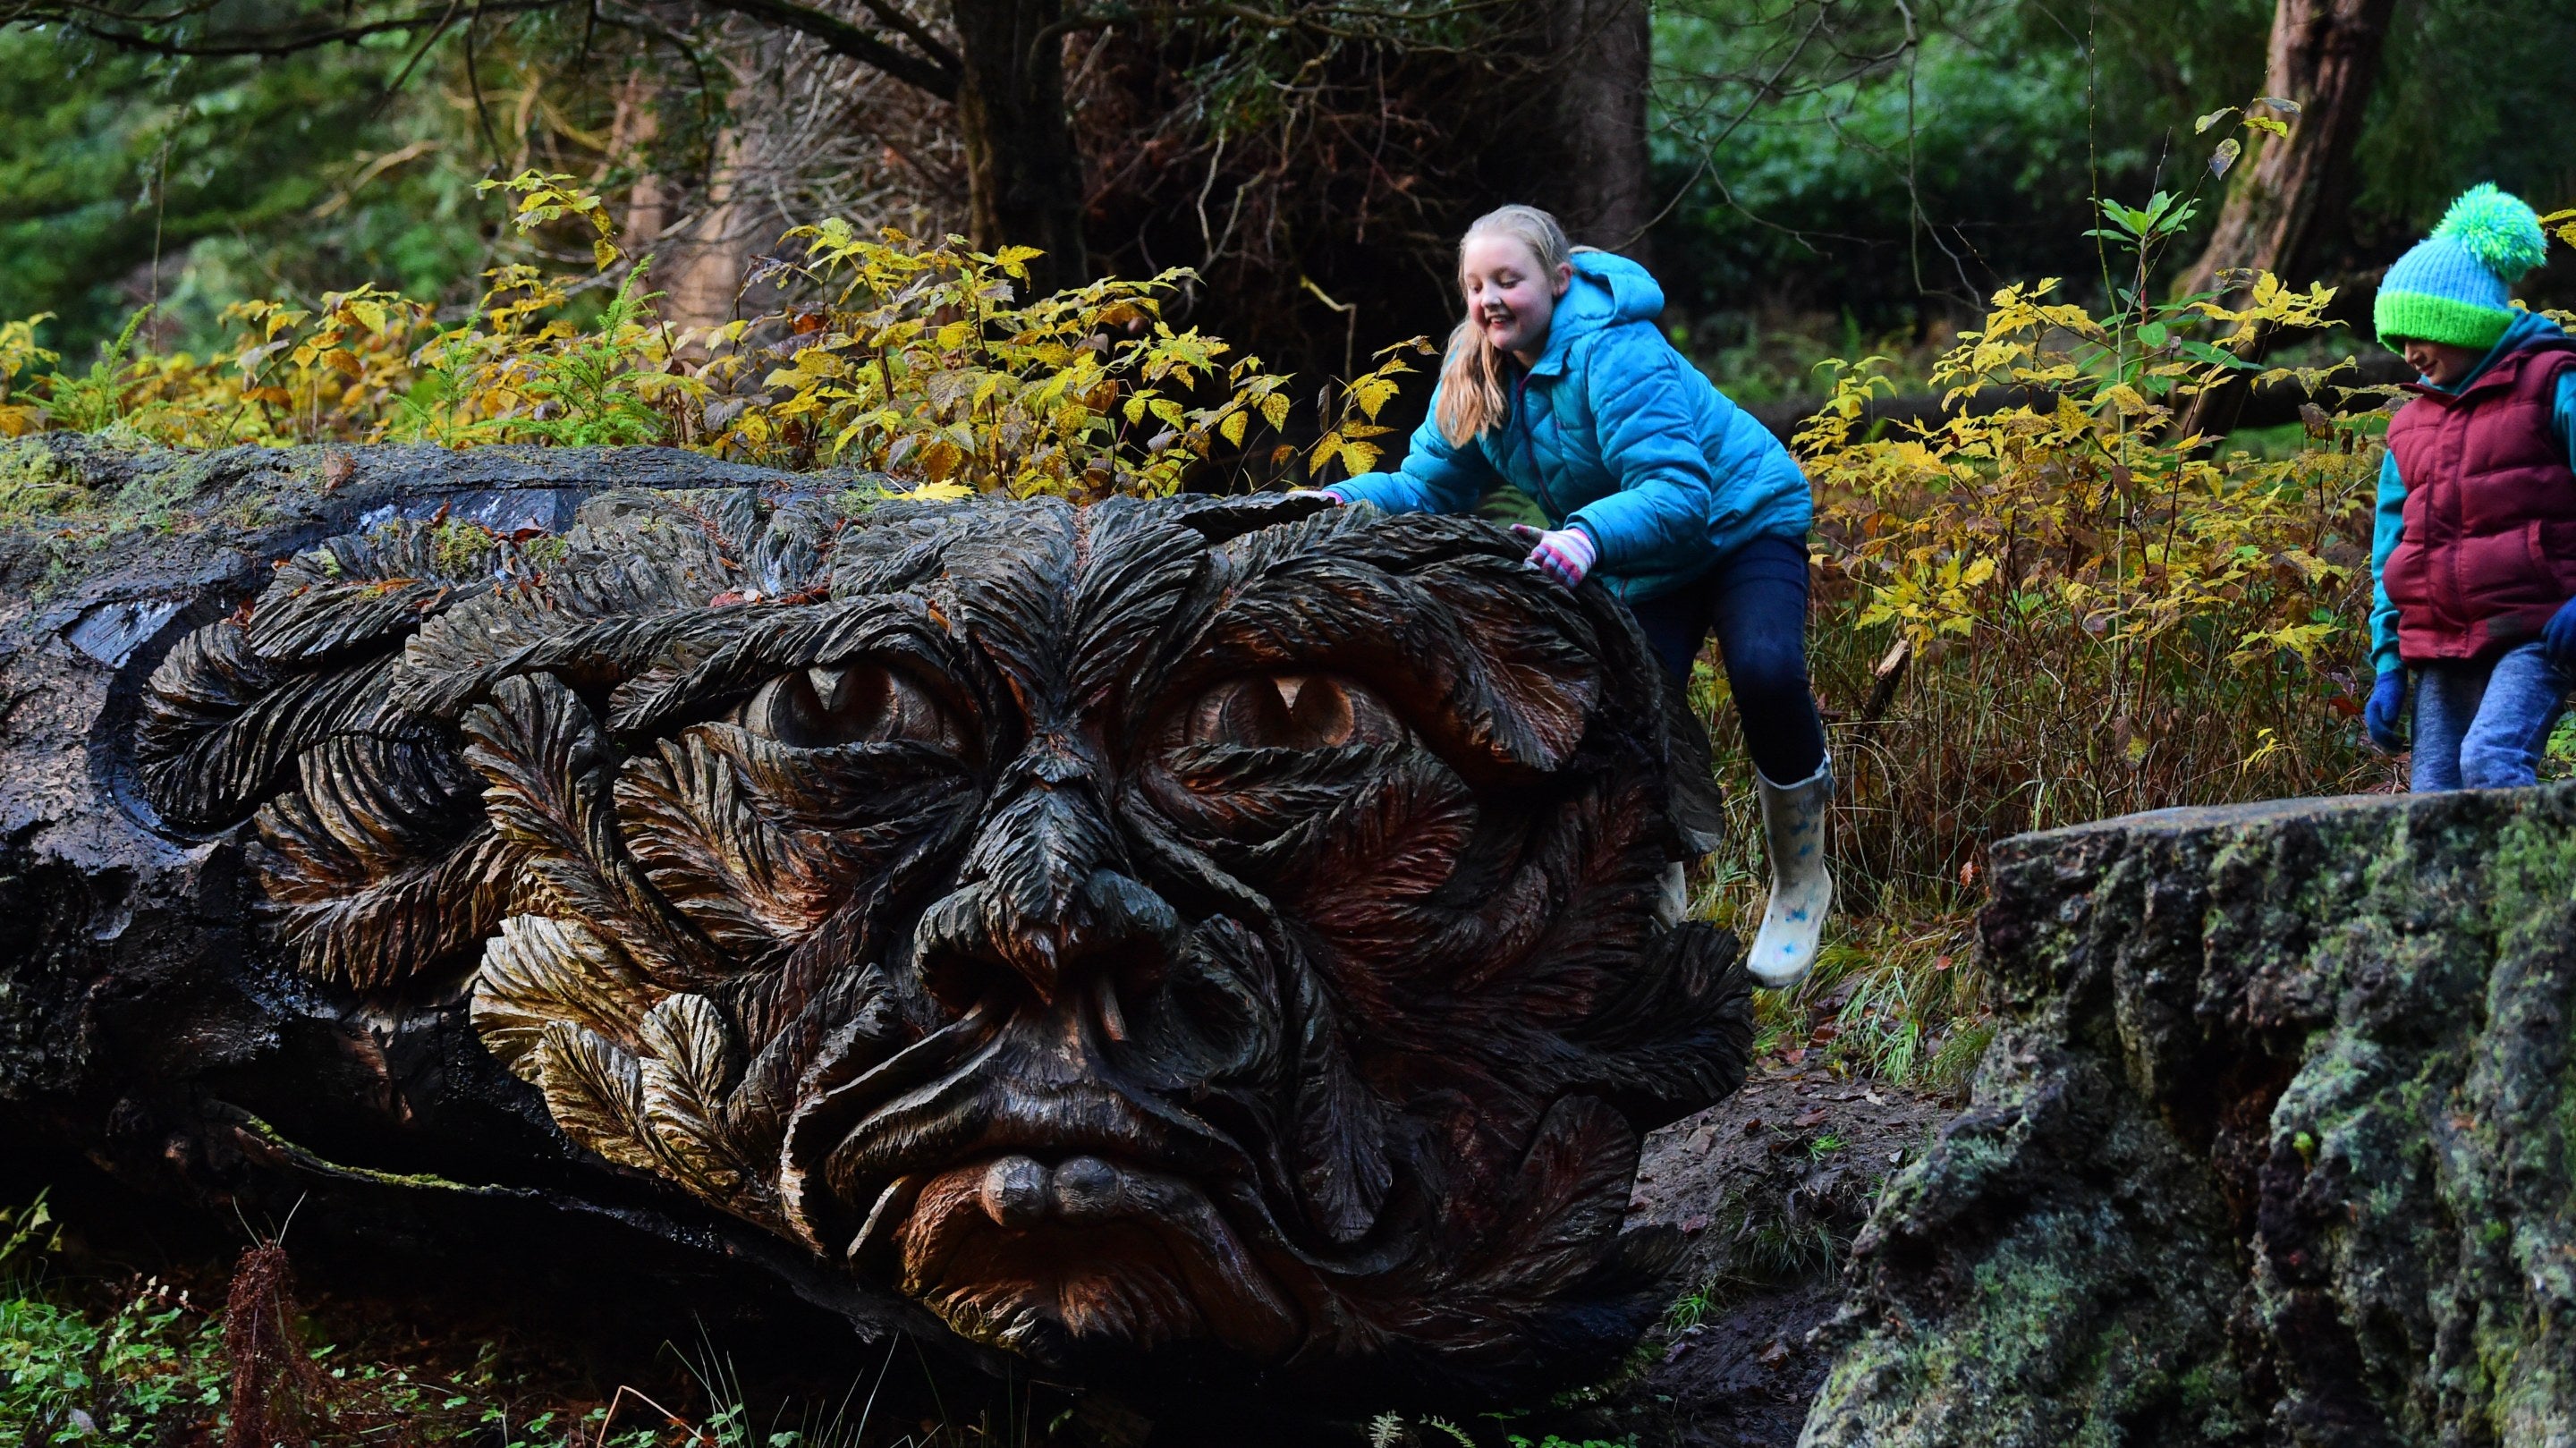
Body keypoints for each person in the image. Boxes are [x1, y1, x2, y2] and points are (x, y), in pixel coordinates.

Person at [1305, 203, 1831, 988]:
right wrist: (1342, 502)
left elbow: (1679, 492)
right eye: (1475, 285)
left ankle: (1800, 883)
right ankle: (1651, 909)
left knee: (1764, 669)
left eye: (1507, 280)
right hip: (1644, 560)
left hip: (1739, 522)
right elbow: (1426, 487)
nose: (1489, 300)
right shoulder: (1478, 370)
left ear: (1556, 280)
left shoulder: (1616, 352)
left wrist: (1584, 537)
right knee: (1624, 722)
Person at [2362, 184, 2576, 792]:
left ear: (2459, 318)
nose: (2408, 354)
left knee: (2490, 761)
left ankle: (2541, 887)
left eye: (2416, 333)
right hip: (2442, 646)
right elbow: (2391, 552)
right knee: (2433, 795)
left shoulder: (2551, 383)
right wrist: (2388, 665)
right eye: (2396, 341)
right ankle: (2452, 895)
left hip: (2537, 630)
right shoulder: (2412, 426)